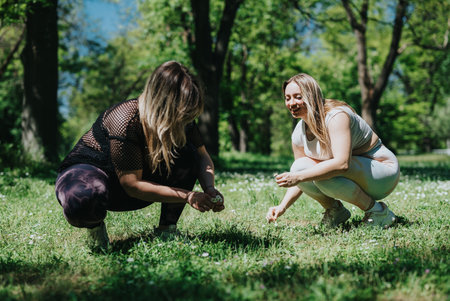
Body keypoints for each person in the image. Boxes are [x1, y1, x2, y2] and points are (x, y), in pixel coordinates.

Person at [55, 61, 224, 250]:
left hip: (137, 185)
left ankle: (167, 229)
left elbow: (201, 156)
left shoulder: (181, 121)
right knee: (82, 198)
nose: (185, 120)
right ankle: (95, 229)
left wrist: (209, 188)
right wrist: (189, 196)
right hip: (94, 173)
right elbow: (132, 185)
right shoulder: (125, 119)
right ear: (162, 103)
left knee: (188, 154)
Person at [266, 73, 399, 228]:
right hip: (360, 175)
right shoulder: (299, 132)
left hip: (382, 172)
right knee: (300, 166)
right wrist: (282, 206)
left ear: (311, 96)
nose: (291, 103)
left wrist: (298, 176)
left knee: (322, 173)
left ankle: (379, 212)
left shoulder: (336, 116)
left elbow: (342, 164)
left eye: (298, 97)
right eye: (287, 98)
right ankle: (335, 211)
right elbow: (300, 176)